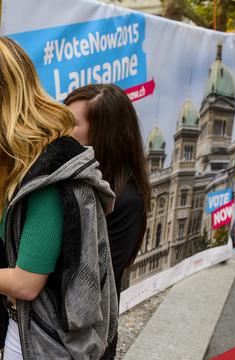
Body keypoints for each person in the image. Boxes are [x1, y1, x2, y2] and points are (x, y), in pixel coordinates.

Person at [0, 37, 119, 359]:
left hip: (49, 339)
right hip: (37, 328)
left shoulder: (47, 177)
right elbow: (20, 220)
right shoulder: (35, 157)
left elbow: (25, 283)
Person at [64, 84, 150, 298]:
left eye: (71, 123)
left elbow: (93, 281)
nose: (59, 130)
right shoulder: (66, 174)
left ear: (104, 134)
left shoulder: (128, 202)